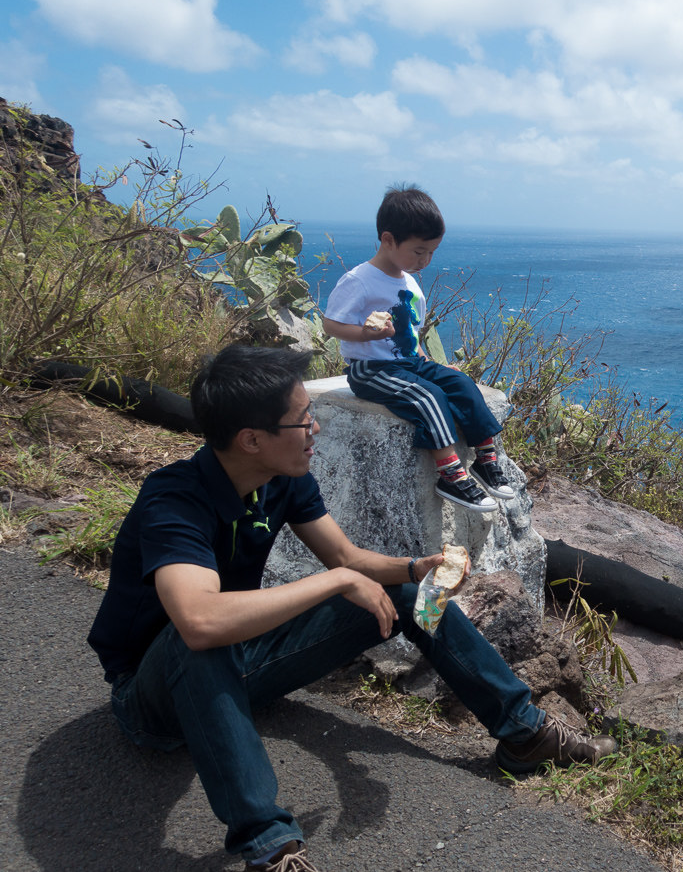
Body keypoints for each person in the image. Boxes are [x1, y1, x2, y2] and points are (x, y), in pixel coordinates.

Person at [87, 345, 616, 872]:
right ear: (251, 440)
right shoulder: (173, 502)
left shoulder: (280, 478)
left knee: (409, 597)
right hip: (152, 700)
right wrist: (337, 582)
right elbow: (200, 622)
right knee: (203, 640)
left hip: (243, 665)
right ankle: (270, 846)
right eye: (302, 420)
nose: (314, 428)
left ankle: (524, 734)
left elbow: (345, 556)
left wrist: (416, 569)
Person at [322, 184, 512, 514]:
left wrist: (433, 364)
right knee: (428, 397)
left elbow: (413, 333)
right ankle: (451, 475)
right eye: (419, 251)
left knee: (463, 385)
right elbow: (330, 324)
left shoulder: (408, 281)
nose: (425, 260)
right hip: (371, 370)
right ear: (388, 240)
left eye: (431, 253)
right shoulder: (360, 280)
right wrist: (366, 334)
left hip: (410, 363)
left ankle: (485, 459)